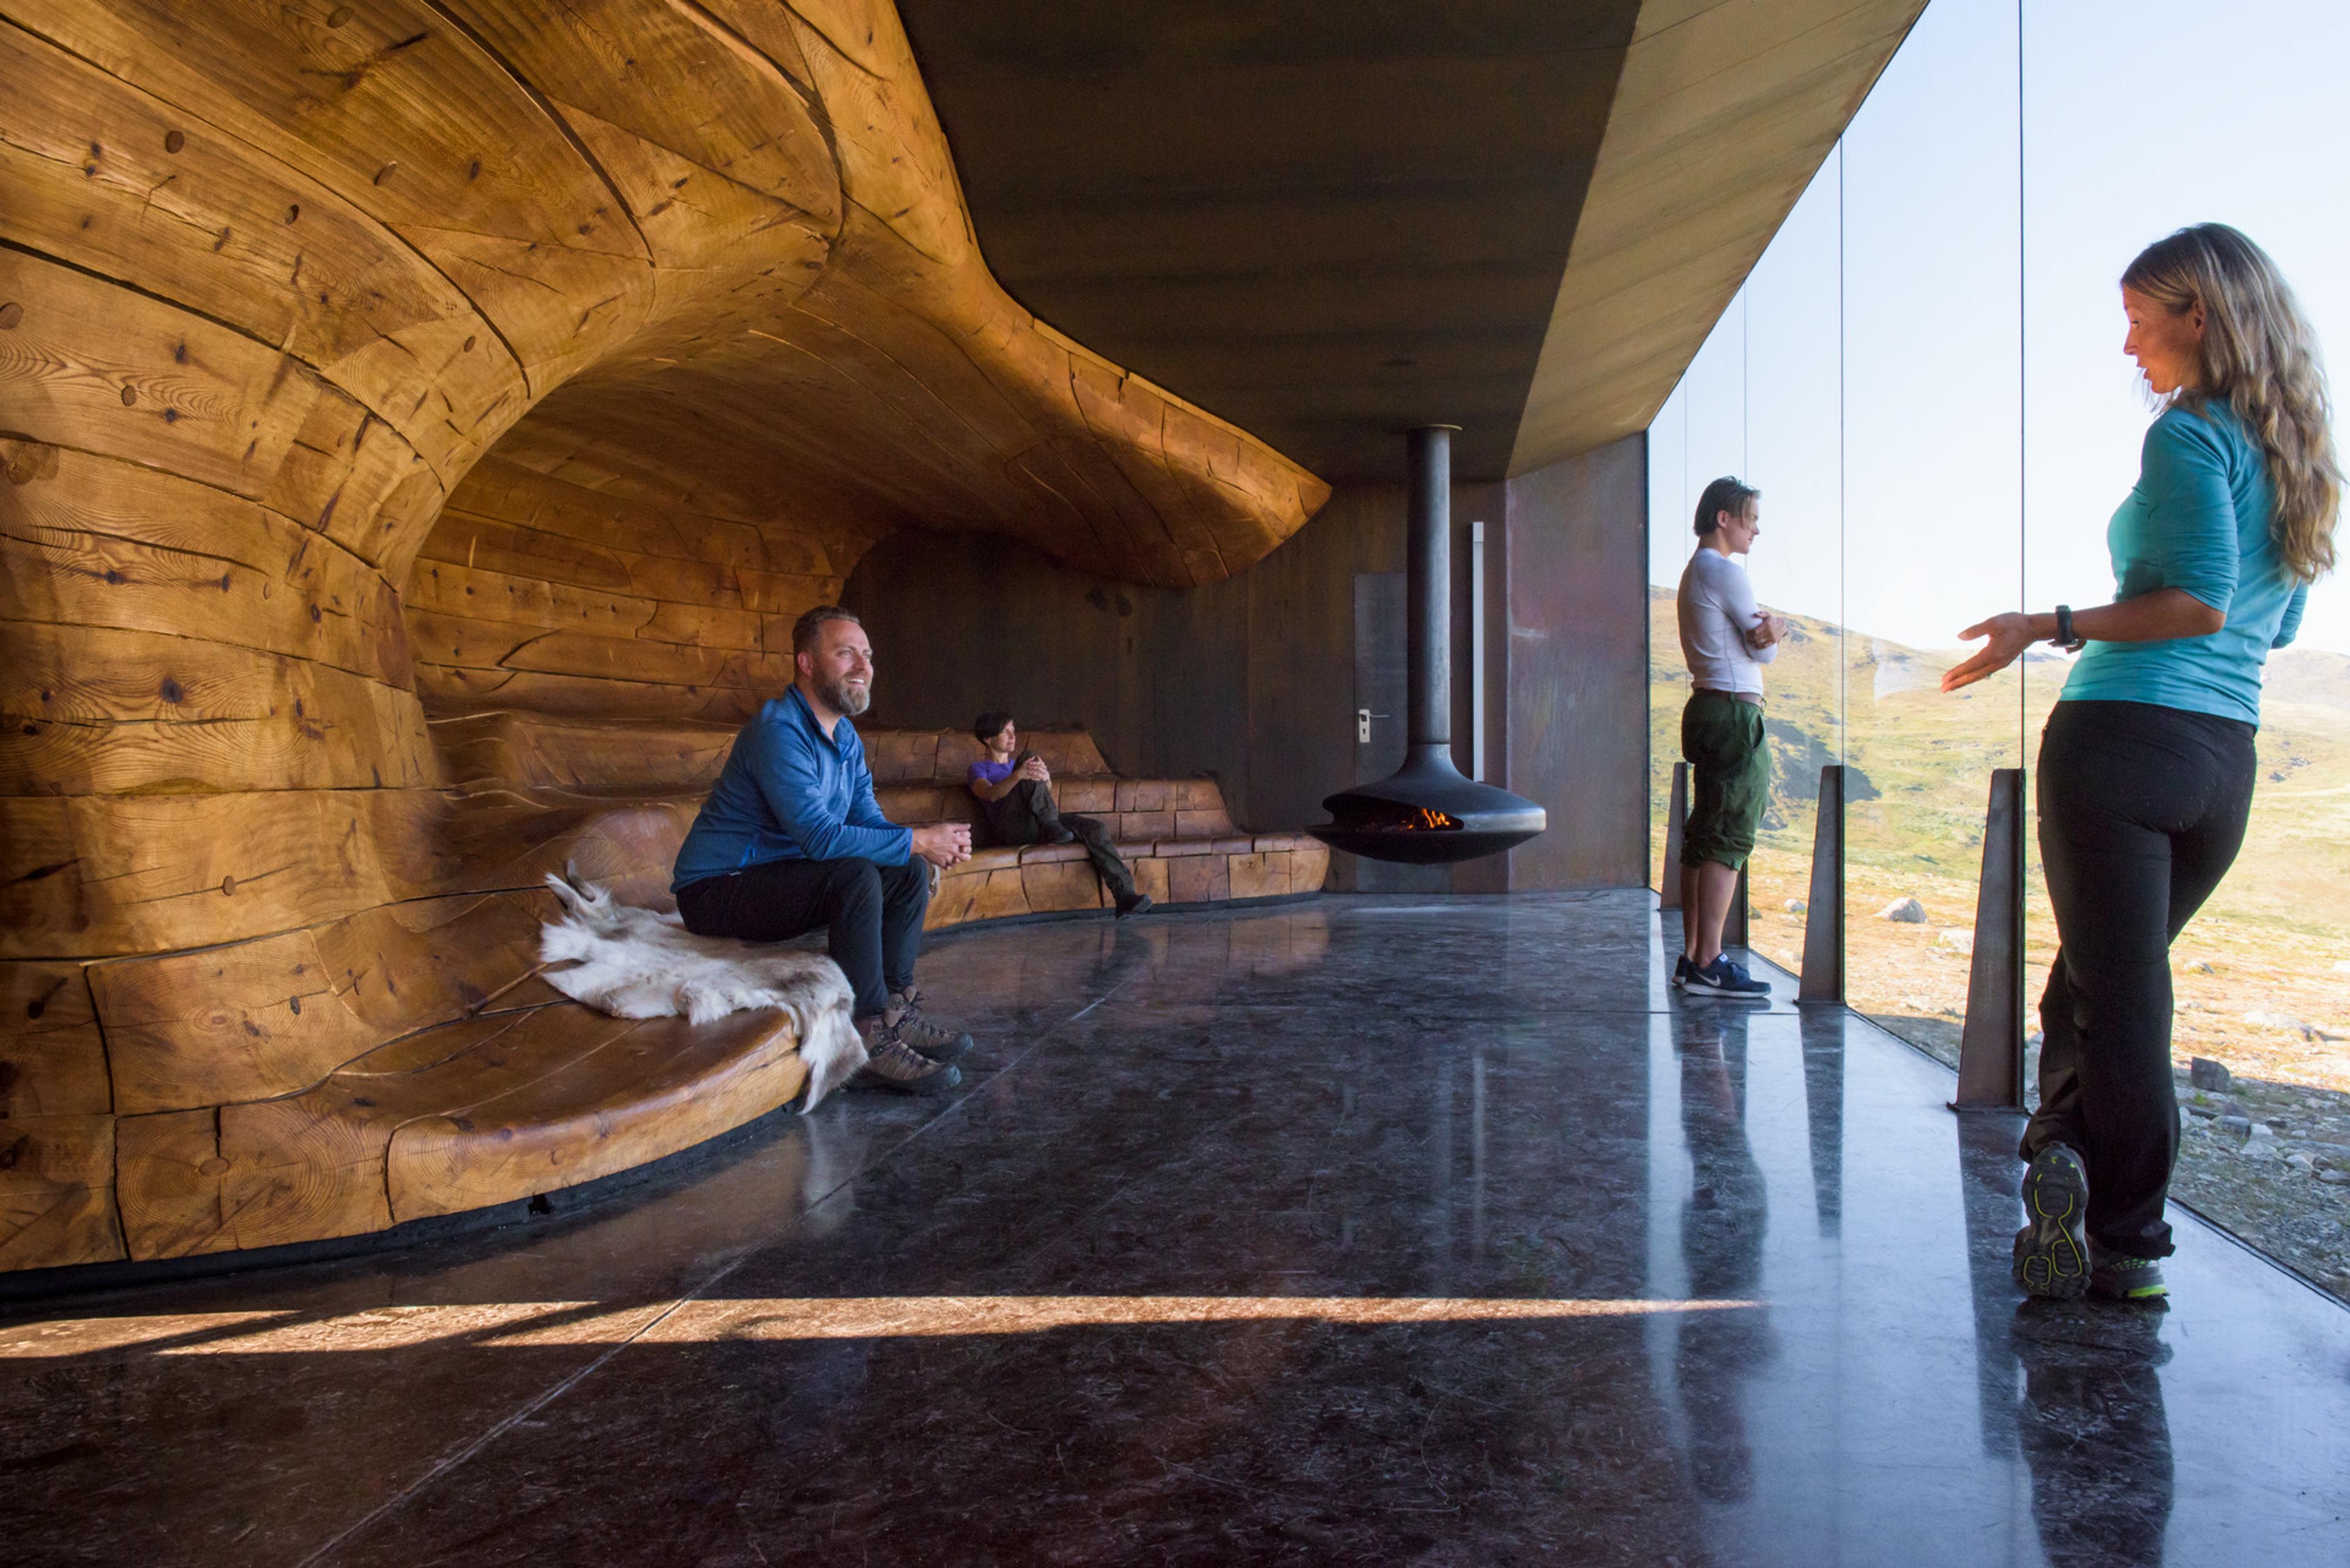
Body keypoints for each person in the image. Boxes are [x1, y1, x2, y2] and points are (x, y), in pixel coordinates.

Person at [1942, 224, 2340, 1303]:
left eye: (2138, 320)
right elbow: (2276, 622)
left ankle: (2130, 1242)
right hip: (2225, 765)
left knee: (2122, 1002)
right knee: (2094, 983)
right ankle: (2062, 1153)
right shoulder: (2296, 452)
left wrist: (2052, 621)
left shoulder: (2187, 436)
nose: (2128, 347)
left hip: (2121, 742)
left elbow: (2197, 601)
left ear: (2197, 316)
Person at [670, 605, 978, 1096]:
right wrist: (919, 837)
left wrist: (919, 849)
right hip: (716, 889)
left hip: (782, 874)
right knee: (855, 874)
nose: (864, 666)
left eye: (868, 655)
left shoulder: (846, 737)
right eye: (846, 653)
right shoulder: (778, 731)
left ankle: (896, 1006)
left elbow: (867, 822)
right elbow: (820, 838)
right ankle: (866, 1034)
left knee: (906, 872)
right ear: (807, 664)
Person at [1673, 476, 1785, 999]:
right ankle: (1710, 962)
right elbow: (1762, 650)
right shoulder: (1724, 571)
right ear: (1725, 518)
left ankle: (1694, 957)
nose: (1756, 530)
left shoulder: (1694, 572)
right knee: (1729, 838)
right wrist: (1776, 631)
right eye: (1751, 519)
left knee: (1703, 836)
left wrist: (1766, 634)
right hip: (1735, 713)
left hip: (1704, 707)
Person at [967, 711, 1154, 917]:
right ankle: (1052, 826)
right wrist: (1018, 776)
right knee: (1028, 757)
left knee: (1095, 828)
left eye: (1014, 731)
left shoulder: (1017, 766)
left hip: (1041, 823)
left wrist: (1046, 780)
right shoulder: (978, 769)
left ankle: (1125, 895)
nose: (1013, 736)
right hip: (1012, 827)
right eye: (1006, 732)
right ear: (988, 738)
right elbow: (990, 795)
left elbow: (1040, 794)